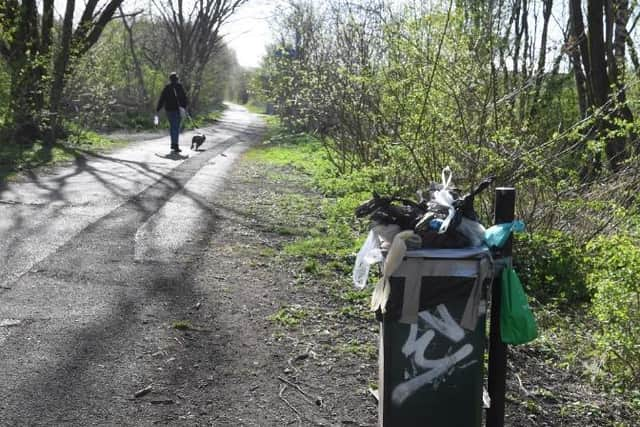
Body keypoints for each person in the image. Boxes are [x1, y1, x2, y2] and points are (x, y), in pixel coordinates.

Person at [156, 72, 189, 153]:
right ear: (177, 79)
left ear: (170, 79)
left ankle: (173, 144)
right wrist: (184, 108)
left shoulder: (167, 87)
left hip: (169, 110)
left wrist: (158, 109)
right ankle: (175, 145)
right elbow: (184, 98)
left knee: (172, 127)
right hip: (177, 110)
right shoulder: (179, 87)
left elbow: (162, 99)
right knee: (176, 127)